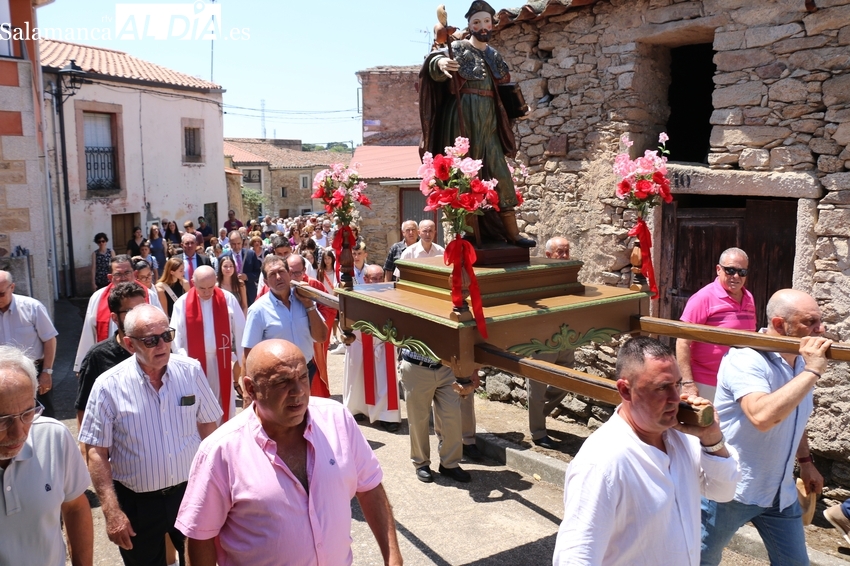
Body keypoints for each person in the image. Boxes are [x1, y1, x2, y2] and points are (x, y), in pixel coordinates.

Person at [175, 339, 403, 566]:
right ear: (251, 388)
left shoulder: (337, 420)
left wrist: (393, 557)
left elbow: (370, 487)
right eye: (283, 382)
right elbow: (200, 536)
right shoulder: (220, 451)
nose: (299, 391)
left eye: (303, 377)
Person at [553, 337, 740, 566]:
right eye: (661, 387)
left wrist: (712, 439)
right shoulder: (602, 462)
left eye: (677, 384)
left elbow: (722, 491)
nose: (675, 398)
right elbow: (576, 557)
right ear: (625, 390)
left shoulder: (682, 436)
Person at [79, 304, 222, 566]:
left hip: (189, 495)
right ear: (130, 344)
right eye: (151, 340)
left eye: (167, 336)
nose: (162, 345)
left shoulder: (190, 371)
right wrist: (112, 512)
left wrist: (217, 490)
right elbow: (96, 452)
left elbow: (209, 431)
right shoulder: (108, 385)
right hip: (138, 505)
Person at [700, 289, 831, 566]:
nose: (821, 330)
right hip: (733, 491)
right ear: (780, 325)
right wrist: (812, 372)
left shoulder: (799, 362)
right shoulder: (747, 359)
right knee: (699, 559)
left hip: (779, 492)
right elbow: (762, 417)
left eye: (820, 321)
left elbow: (792, 415)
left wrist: (806, 462)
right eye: (810, 322)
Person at [419, 0, 534, 248]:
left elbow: (503, 89)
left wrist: (517, 110)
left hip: (489, 120)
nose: (482, 26)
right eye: (476, 22)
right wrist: (440, 64)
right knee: (465, 173)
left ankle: (512, 233)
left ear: (492, 24)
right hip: (462, 118)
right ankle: (471, 234)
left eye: (486, 21)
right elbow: (433, 64)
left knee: (500, 172)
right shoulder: (458, 47)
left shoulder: (494, 55)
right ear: (470, 25)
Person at [0, 345, 93, 566]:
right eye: (2, 420)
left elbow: (76, 507)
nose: (19, 431)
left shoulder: (53, 437)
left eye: (28, 413)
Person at [676, 248, 756, 402]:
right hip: (706, 382)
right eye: (730, 270)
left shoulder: (749, 297)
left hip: (739, 382)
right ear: (719, 269)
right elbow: (682, 342)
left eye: (742, 272)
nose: (736, 276)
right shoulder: (703, 298)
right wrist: (687, 383)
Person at [171, 266, 245, 423]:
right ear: (193, 282)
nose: (206, 292)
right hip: (194, 365)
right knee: (199, 405)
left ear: (216, 281)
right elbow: (176, 338)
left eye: (211, 287)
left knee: (223, 402)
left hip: (222, 362)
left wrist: (243, 360)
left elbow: (240, 329)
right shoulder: (182, 304)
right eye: (202, 288)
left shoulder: (227, 299)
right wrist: (185, 363)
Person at [243, 256, 327, 384]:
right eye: (272, 274)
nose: (278, 277)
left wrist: (309, 305)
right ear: (265, 281)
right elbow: (250, 351)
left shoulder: (304, 299)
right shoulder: (257, 310)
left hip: (305, 372)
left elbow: (321, 337)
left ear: (289, 273)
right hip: (276, 377)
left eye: (281, 271)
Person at [73, 254, 162, 373]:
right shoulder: (97, 298)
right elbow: (89, 331)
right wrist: (82, 367)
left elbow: (160, 327)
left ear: (134, 274)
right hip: (109, 360)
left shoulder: (149, 296)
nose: (123, 278)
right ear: (110, 277)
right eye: (118, 274)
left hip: (143, 360)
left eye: (127, 273)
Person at [75, 282, 146, 427]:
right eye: (130, 311)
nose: (139, 317)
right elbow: (85, 408)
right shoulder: (98, 356)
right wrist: (86, 449)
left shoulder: (159, 346)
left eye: (143, 309)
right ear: (115, 318)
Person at [344, 264, 401, 432]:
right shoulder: (356, 294)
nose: (376, 281)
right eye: (372, 278)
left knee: (385, 379)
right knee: (357, 380)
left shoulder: (391, 294)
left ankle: (387, 416)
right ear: (365, 279)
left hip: (384, 344)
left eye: (379, 278)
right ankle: (357, 409)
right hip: (360, 342)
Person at [527, 236, 572, 449]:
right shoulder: (539, 276)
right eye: (560, 252)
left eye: (567, 251)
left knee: (567, 379)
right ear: (548, 256)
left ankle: (538, 413)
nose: (564, 256)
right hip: (543, 339)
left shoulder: (571, 274)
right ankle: (538, 431)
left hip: (566, 335)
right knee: (536, 387)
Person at [0, 270, 58, 418]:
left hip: (33, 370)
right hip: (3, 373)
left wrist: (47, 372)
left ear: (12, 287)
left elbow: (50, 339)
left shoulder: (32, 307)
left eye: (1, 294)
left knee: (42, 415)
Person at [287, 254, 336, 398]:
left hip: (311, 343)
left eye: (298, 272)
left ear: (304, 271)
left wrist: (315, 324)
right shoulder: (277, 288)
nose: (294, 276)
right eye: (290, 272)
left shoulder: (314, 286)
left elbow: (329, 308)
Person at [225, 230, 262, 305]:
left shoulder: (250, 254)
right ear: (229, 243)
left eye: (238, 243)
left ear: (242, 241)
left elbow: (258, 273)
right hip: (232, 294)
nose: (236, 246)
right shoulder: (224, 257)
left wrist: (247, 276)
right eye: (233, 244)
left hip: (249, 294)